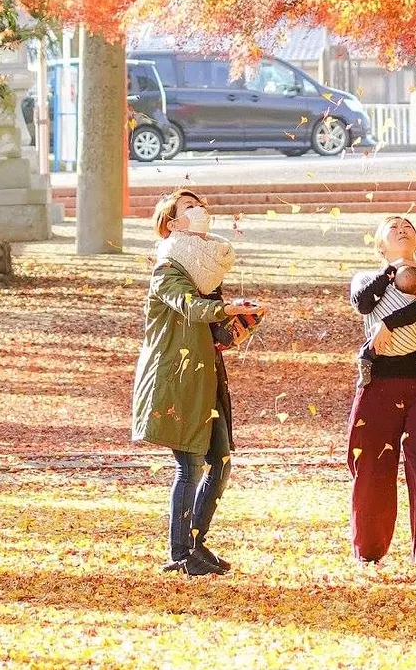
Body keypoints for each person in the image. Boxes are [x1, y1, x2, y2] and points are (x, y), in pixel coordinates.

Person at [132, 188, 262, 577]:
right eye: (190, 207)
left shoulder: (205, 274)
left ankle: (196, 543)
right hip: (177, 379)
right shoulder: (167, 269)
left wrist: (243, 321)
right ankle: (180, 552)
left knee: (219, 463)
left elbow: (217, 333)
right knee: (190, 466)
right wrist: (224, 308)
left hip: (207, 377)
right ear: (172, 223)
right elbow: (190, 307)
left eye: (201, 204)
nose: (201, 210)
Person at [347, 215, 416, 568]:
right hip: (378, 377)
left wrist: (388, 323)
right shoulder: (366, 278)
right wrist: (391, 272)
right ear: (380, 244)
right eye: (393, 228)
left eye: (408, 226)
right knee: (371, 464)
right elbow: (364, 303)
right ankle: (368, 551)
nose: (402, 229)